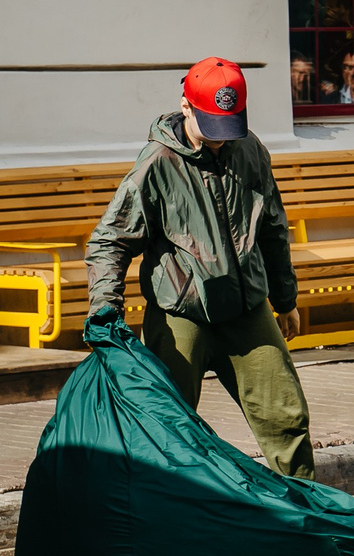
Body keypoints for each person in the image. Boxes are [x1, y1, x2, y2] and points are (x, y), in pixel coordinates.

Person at [84, 58, 315, 478]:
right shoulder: (156, 165)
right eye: (211, 125)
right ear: (186, 105)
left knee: (287, 418)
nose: (219, 140)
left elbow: (274, 229)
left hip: (248, 309)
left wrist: (286, 300)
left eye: (228, 127)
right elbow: (109, 241)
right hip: (180, 315)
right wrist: (105, 310)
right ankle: (162, 526)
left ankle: (308, 526)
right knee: (164, 429)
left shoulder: (250, 150)